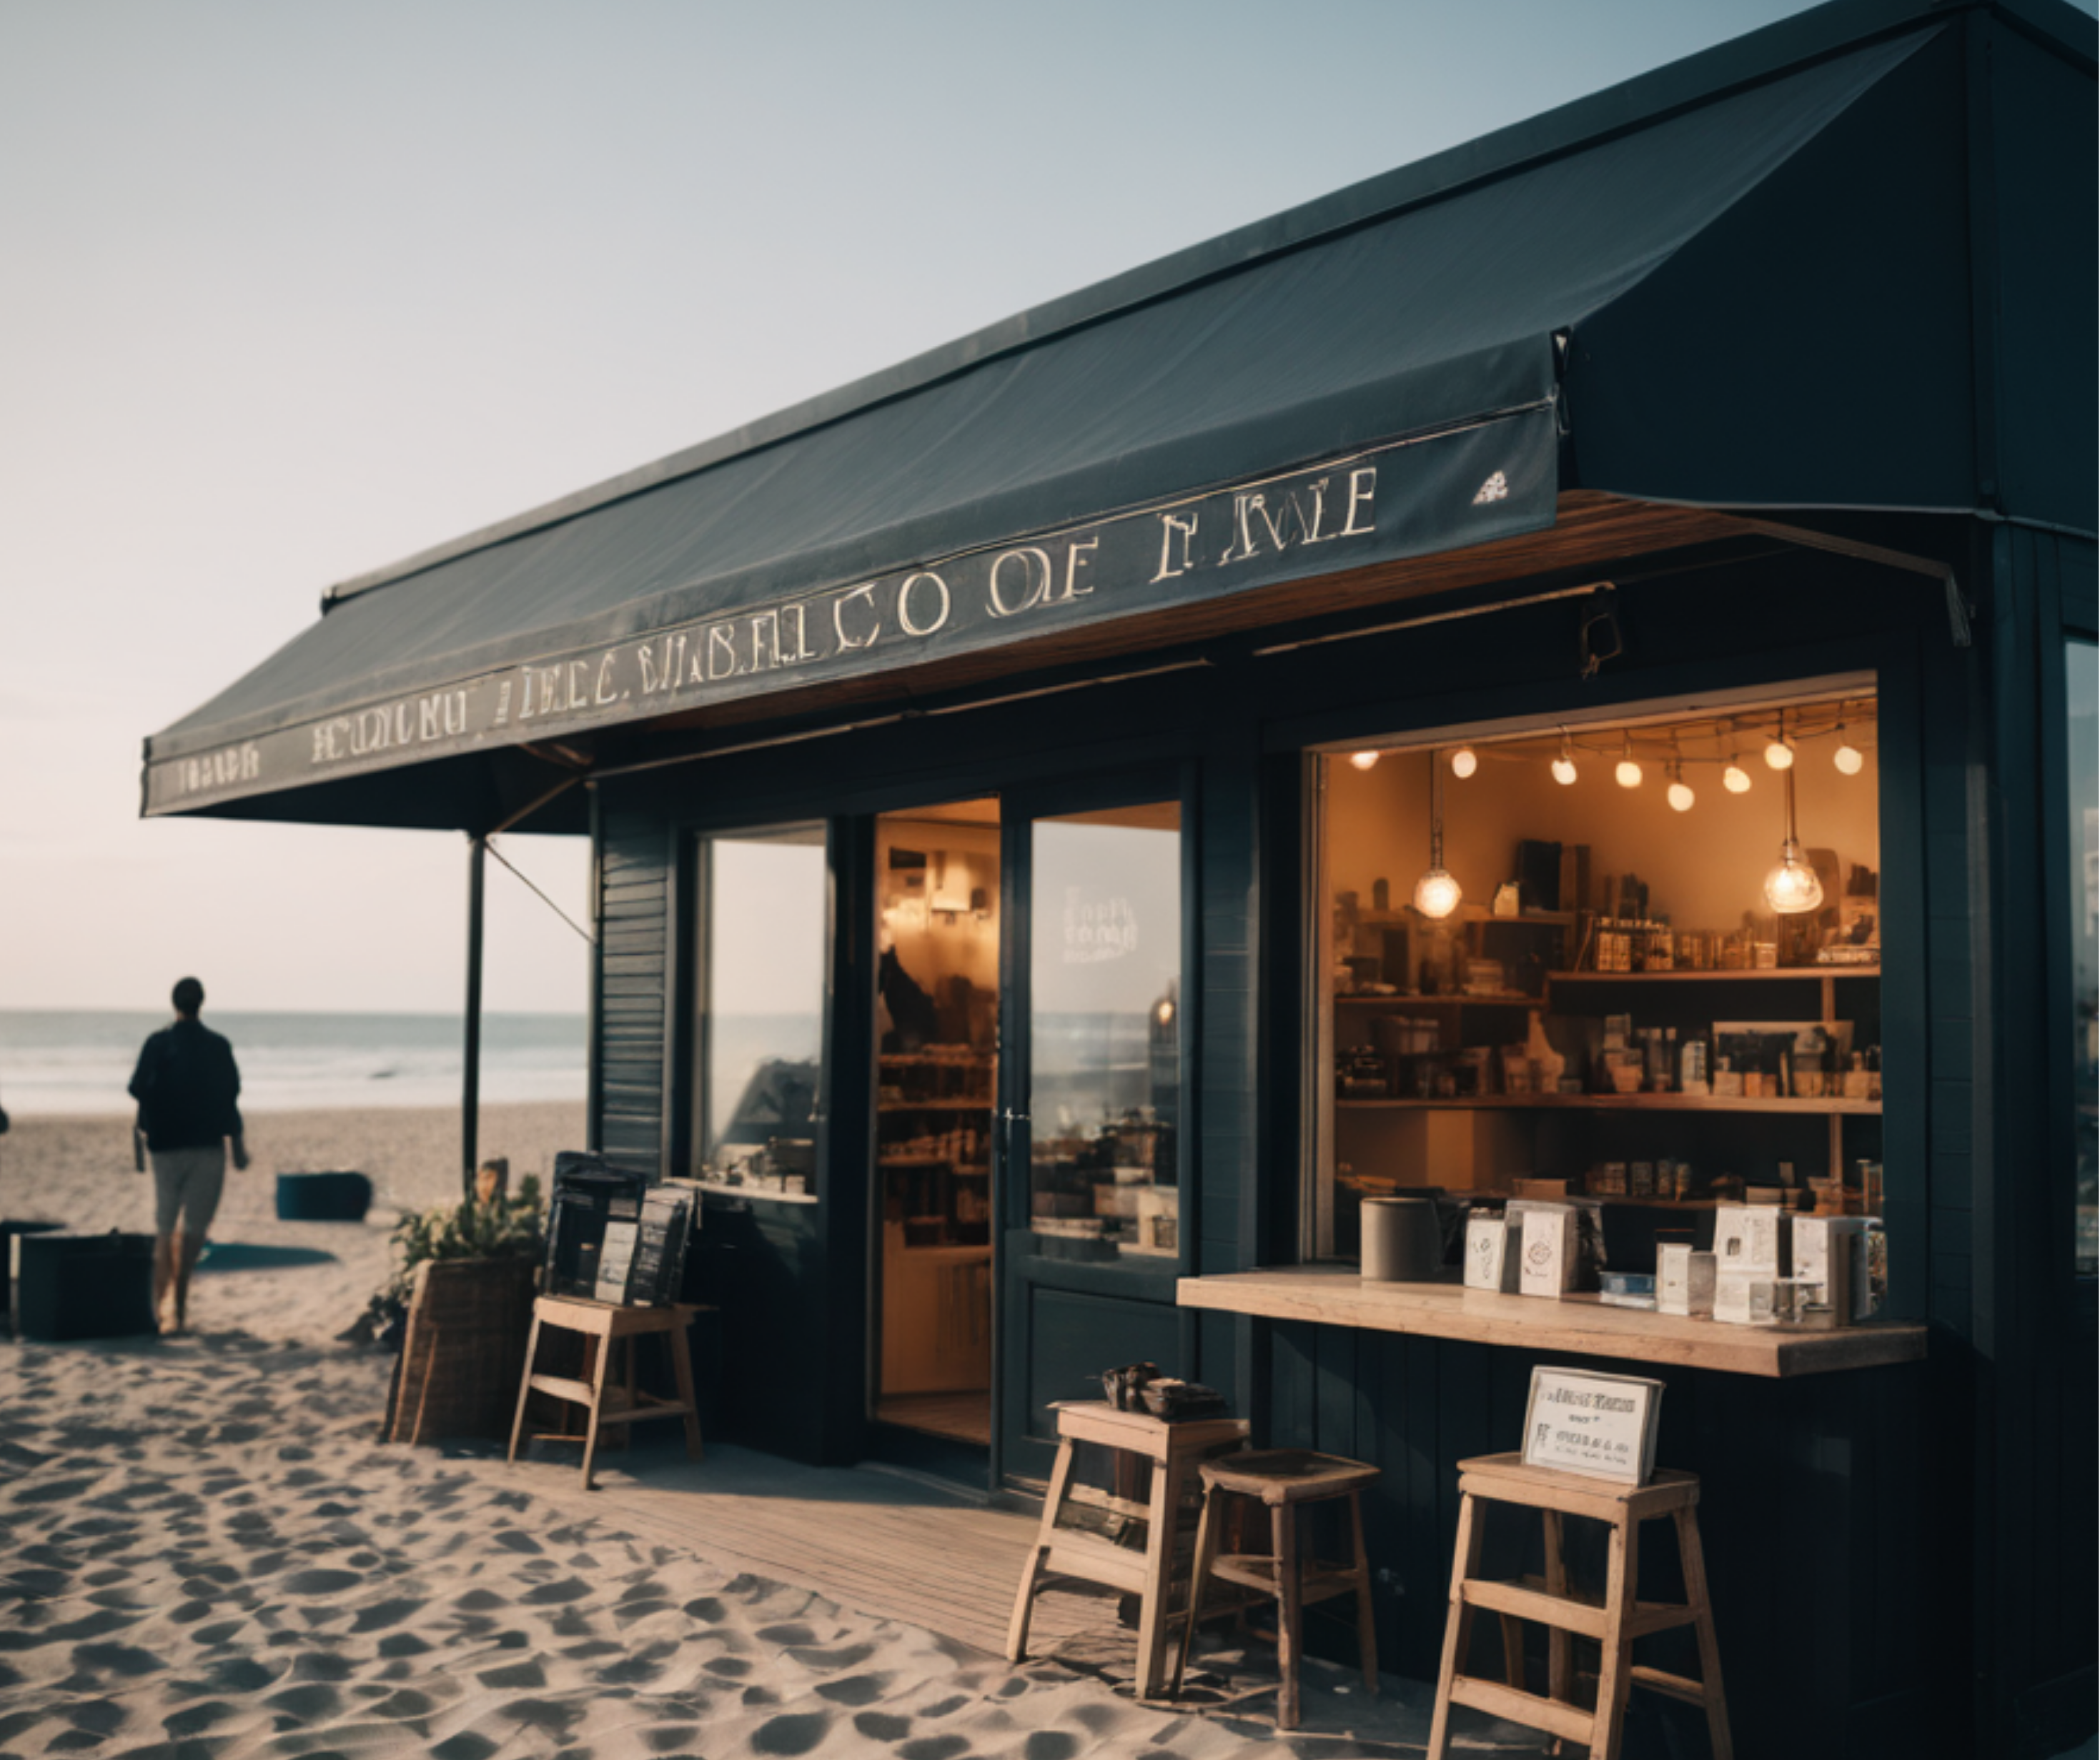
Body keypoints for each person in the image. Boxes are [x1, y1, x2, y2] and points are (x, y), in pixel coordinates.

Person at [128, 977, 248, 1333]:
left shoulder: (158, 1044)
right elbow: (231, 1097)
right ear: (202, 1003)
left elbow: (137, 1088)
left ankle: (156, 1308)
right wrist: (239, 1147)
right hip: (207, 1148)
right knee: (194, 1231)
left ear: (174, 1003)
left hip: (164, 1148)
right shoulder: (217, 1046)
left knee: (164, 1227)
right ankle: (178, 1306)